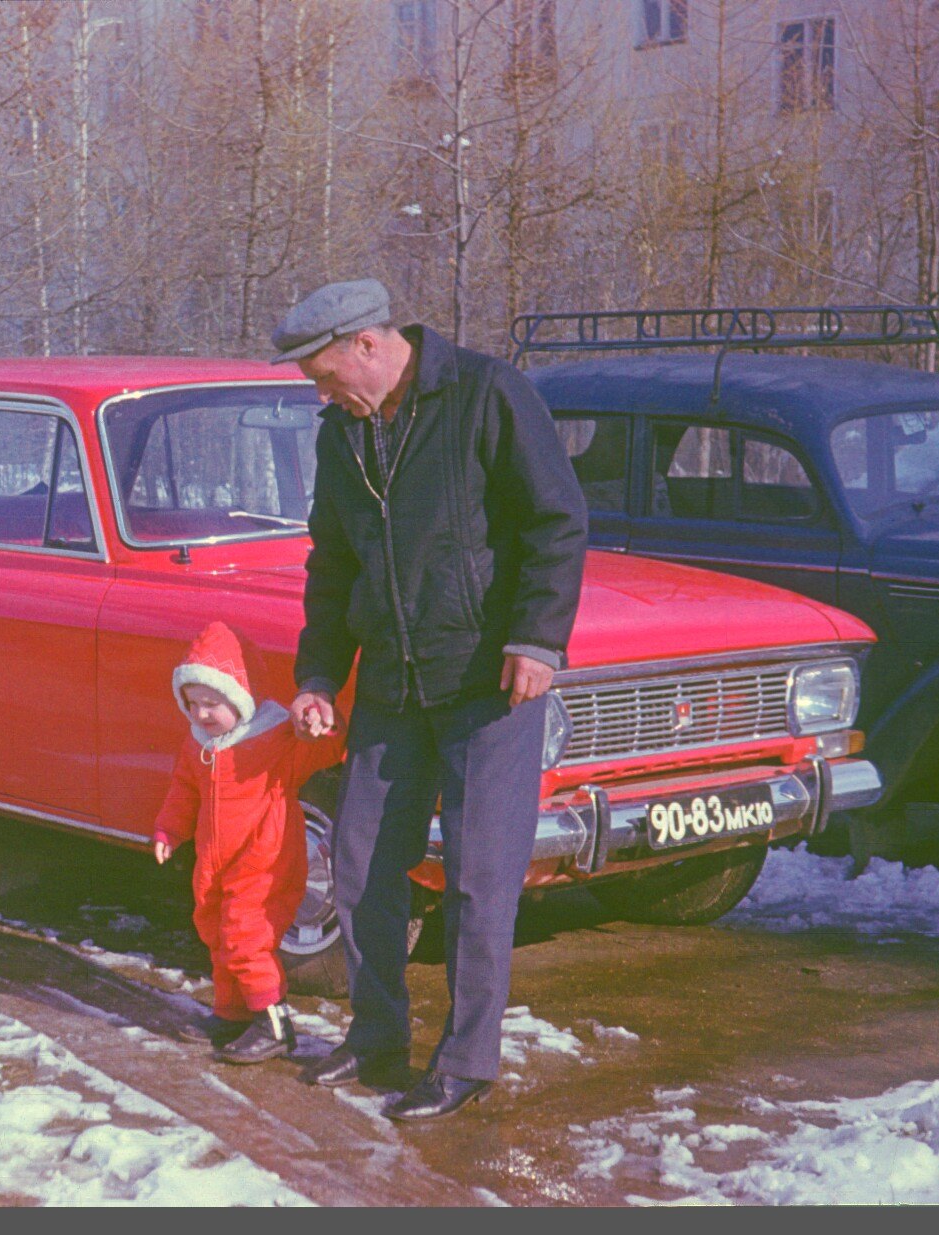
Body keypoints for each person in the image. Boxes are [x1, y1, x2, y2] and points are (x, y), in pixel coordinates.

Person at [272, 278, 589, 1120]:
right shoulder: (345, 435)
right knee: (364, 862)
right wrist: (316, 672)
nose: (321, 393)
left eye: (324, 375)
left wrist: (536, 637)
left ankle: (466, 1060)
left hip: (486, 681)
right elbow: (331, 563)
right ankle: (376, 1032)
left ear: (367, 346)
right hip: (392, 685)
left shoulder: (486, 393)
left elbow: (554, 520)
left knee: (481, 881)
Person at [152, 620, 347, 1063]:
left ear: (240, 698)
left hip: (265, 859)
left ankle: (274, 1023)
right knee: (218, 931)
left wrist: (318, 728)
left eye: (213, 703)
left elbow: (323, 751)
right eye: (194, 703)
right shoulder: (200, 745)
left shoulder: (274, 737)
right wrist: (170, 830)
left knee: (246, 937)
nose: (202, 714)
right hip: (215, 860)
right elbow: (184, 790)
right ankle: (232, 1014)